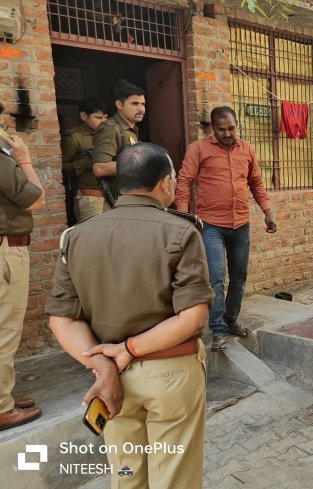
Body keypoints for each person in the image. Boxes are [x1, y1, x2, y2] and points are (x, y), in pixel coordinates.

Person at [46, 143, 214, 488]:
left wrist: (104, 365)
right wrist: (128, 350)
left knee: (126, 475)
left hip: (111, 379)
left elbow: (62, 319)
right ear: (166, 183)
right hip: (170, 376)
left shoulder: (76, 236)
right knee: (174, 478)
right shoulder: (181, 232)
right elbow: (192, 318)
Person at [175, 106, 277, 352]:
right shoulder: (198, 149)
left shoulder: (247, 150)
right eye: (222, 129)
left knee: (239, 276)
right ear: (212, 128)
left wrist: (267, 212)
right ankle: (218, 330)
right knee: (216, 278)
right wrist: (184, 216)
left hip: (241, 223)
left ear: (236, 125)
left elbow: (256, 182)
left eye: (231, 128)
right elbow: (184, 181)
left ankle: (232, 320)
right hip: (211, 225)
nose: (228, 133)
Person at [0, 105, 46, 430]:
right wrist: (24, 158)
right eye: (3, 120)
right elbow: (37, 200)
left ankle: (3, 395)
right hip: (6, 251)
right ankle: (2, 406)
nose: (5, 125)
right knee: (5, 330)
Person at [92, 79, 145, 209]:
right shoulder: (111, 128)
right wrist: (140, 166)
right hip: (114, 202)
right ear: (119, 105)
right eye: (135, 104)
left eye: (143, 104)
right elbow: (100, 168)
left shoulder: (131, 130)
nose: (141, 109)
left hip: (128, 200)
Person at [61, 98, 108, 223]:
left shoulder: (110, 135)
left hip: (112, 196)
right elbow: (60, 168)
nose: (103, 121)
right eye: (98, 118)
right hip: (90, 198)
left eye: (105, 118)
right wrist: (87, 162)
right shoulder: (75, 137)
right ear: (84, 116)